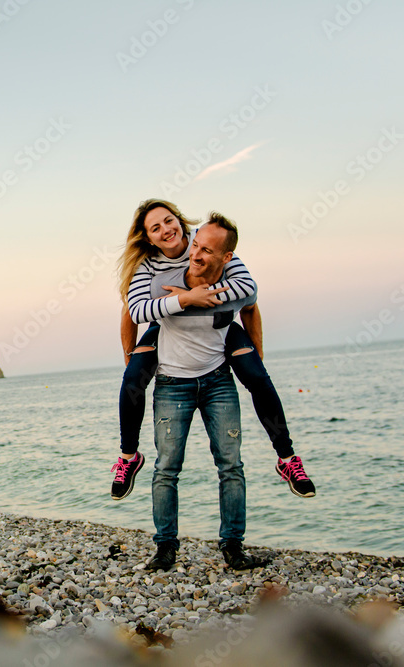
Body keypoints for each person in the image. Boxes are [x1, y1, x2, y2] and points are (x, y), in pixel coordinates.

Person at [110, 199, 315, 502]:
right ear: (148, 237)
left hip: (219, 325)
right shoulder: (147, 264)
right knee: (132, 380)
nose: (166, 230)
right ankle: (129, 457)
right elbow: (134, 310)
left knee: (258, 378)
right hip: (170, 328)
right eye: (155, 228)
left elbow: (249, 292)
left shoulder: (206, 242)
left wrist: (204, 298)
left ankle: (287, 459)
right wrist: (182, 302)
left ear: (179, 220)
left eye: (168, 221)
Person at [143, 214, 267, 571]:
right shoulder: (162, 280)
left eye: (206, 250)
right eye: (195, 244)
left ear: (226, 258)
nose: (195, 254)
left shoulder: (233, 284)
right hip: (172, 383)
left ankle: (233, 546)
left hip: (218, 381)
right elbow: (135, 309)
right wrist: (185, 297)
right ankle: (165, 548)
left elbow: (251, 301)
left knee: (231, 466)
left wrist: (256, 354)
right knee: (166, 468)